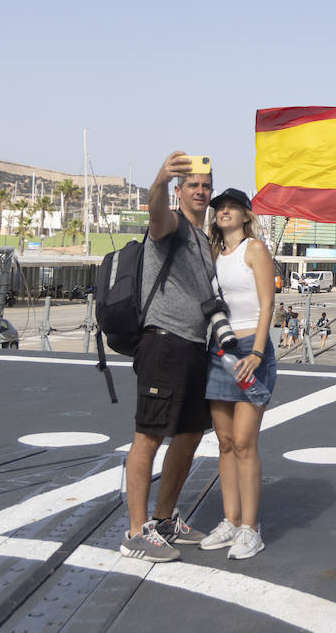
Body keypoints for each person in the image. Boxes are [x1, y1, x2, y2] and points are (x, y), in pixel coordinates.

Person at [120, 152, 215, 563]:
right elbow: (156, 211)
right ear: (180, 191)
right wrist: (158, 179)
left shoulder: (203, 240)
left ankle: (163, 519)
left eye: (205, 186)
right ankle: (135, 532)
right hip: (164, 342)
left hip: (195, 346)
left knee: (191, 434)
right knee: (149, 435)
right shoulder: (172, 225)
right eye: (192, 185)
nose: (200, 191)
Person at [198, 187, 276, 561]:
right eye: (220, 208)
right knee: (225, 443)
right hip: (219, 352)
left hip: (250, 352)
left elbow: (267, 304)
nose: (224, 212)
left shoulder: (255, 249)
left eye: (231, 207)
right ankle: (230, 521)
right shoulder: (213, 254)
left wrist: (259, 352)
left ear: (246, 215)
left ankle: (250, 528)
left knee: (245, 443)